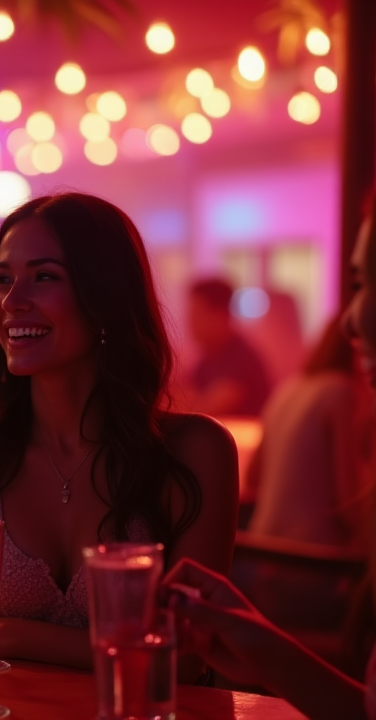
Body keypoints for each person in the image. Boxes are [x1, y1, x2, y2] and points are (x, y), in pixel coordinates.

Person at [0, 192, 239, 674]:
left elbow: (187, 659)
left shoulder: (196, 452)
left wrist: (19, 636)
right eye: (2, 280)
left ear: (106, 297)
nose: (12, 302)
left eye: (45, 277)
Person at [163, 200, 376, 720]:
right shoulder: (332, 395)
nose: (353, 318)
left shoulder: (289, 386)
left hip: (272, 566)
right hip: (297, 572)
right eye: (353, 286)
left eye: (366, 284)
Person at [246, 312, 371, 547]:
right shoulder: (343, 392)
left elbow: (253, 477)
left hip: (261, 549)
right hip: (311, 557)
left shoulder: (289, 388)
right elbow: (349, 507)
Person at [183, 277, 272, 417]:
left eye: (197, 314)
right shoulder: (206, 360)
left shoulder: (243, 358)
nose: (190, 322)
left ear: (221, 315)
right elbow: (184, 396)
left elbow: (206, 409)